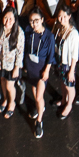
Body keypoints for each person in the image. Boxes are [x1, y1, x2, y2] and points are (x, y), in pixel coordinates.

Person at [21, 8, 55, 137]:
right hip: (31, 67)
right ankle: (38, 107)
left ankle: (39, 120)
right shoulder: (29, 31)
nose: (33, 24)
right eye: (31, 21)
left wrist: (47, 70)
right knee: (35, 94)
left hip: (41, 69)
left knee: (40, 96)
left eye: (36, 20)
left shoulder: (49, 36)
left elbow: (51, 55)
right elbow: (26, 49)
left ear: (42, 20)